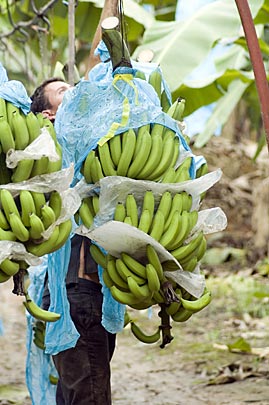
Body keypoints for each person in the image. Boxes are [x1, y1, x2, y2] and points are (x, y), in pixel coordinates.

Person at [30, 0, 120, 403]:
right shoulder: (57, 149)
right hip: (76, 290)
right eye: (63, 92)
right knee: (90, 391)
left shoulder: (87, 146)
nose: (75, 92)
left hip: (73, 292)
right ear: (49, 115)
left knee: (76, 391)